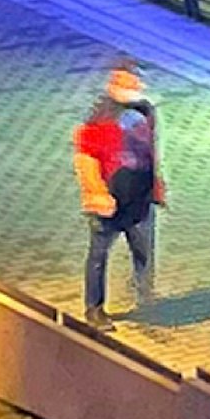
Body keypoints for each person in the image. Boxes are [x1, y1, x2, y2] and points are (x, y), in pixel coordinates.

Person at [73, 61, 164, 318]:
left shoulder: (145, 110)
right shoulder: (101, 117)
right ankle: (95, 308)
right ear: (114, 83)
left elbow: (150, 148)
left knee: (144, 251)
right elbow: (85, 157)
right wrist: (95, 190)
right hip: (109, 198)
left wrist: (156, 182)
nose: (135, 87)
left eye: (136, 82)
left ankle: (145, 297)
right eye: (127, 82)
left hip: (140, 196)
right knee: (99, 254)